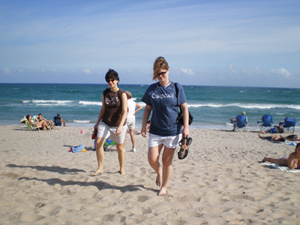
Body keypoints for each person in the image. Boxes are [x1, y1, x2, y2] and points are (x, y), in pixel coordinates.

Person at [141, 56, 190, 196]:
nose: (161, 76)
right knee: (152, 159)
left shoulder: (176, 87)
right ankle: (159, 171)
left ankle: (164, 186)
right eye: (158, 74)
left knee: (166, 160)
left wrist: (186, 127)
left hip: (173, 131)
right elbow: (147, 109)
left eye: (163, 72)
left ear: (168, 70)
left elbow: (184, 108)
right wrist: (143, 125)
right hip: (155, 130)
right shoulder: (152, 89)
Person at [93, 69, 128, 176]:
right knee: (98, 144)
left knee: (120, 147)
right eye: (108, 80)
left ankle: (121, 168)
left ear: (117, 80)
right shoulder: (105, 93)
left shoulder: (122, 94)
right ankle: (100, 168)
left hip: (119, 124)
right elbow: (103, 109)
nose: (110, 82)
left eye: (112, 80)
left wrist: (120, 126)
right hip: (106, 122)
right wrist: (97, 123)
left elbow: (124, 111)